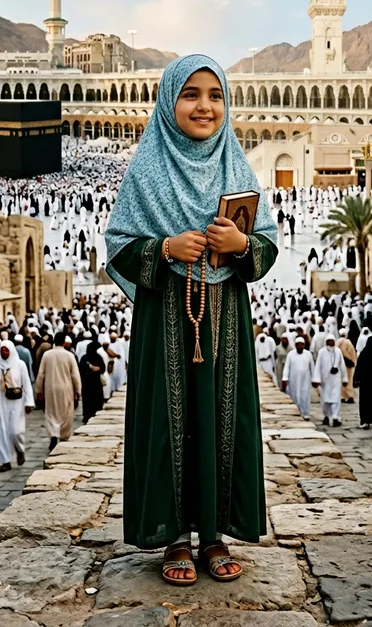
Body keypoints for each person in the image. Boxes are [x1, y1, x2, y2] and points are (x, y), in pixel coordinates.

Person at [105, 55, 278, 586]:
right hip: (165, 318)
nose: (205, 106)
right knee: (169, 420)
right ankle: (175, 537)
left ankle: (214, 534)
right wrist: (165, 248)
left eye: (215, 95)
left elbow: (266, 246)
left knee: (221, 420)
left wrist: (241, 243)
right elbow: (119, 244)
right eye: (191, 94)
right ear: (168, 102)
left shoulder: (236, 166)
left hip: (225, 318)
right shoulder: (147, 168)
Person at [0, 339, 34, 472]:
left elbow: (26, 384)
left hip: (17, 403)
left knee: (15, 431)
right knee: (2, 432)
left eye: (6, 350)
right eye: (2, 350)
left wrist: (29, 402)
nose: (4, 352)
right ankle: (5, 461)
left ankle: (20, 450)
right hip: (0, 402)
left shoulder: (20, 365)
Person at [35, 334, 82, 450]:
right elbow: (75, 375)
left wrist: (38, 390)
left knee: (51, 412)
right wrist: (78, 390)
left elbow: (41, 374)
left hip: (50, 388)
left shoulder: (47, 355)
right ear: (64, 341)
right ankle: (63, 435)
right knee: (66, 412)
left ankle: (54, 435)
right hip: (66, 387)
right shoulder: (69, 355)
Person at [312, 335, 347, 427]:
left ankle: (335, 417)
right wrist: (316, 379)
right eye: (329, 341)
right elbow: (318, 365)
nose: (331, 343)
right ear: (326, 342)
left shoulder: (338, 351)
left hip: (336, 379)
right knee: (325, 399)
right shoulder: (322, 352)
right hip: (325, 381)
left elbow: (342, 365)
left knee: (336, 398)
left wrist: (345, 378)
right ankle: (326, 416)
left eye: (332, 341)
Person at [282, 337, 315, 418]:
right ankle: (295, 413)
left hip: (305, 380)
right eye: (298, 344)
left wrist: (314, 379)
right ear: (295, 345)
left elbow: (312, 367)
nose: (300, 346)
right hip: (293, 380)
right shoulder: (290, 354)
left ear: (304, 345)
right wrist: (285, 378)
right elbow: (287, 367)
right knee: (294, 396)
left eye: (301, 344)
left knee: (305, 396)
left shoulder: (308, 354)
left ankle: (305, 413)